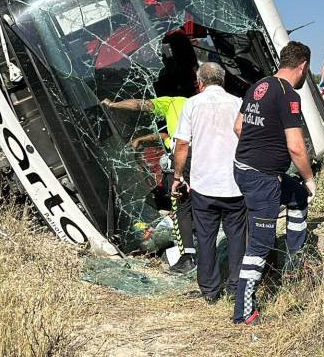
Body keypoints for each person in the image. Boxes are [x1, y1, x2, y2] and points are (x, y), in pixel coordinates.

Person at [232, 41, 317, 325]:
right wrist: (309, 178)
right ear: (302, 66)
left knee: (296, 197)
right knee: (261, 241)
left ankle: (293, 263)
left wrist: (260, 148)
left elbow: (239, 127)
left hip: (244, 169)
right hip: (262, 178)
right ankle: (244, 311)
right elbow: (296, 146)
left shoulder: (260, 86)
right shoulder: (288, 94)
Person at [171, 63, 246, 303]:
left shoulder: (192, 104)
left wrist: (177, 177)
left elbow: (182, 144)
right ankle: (235, 288)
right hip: (235, 184)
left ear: (200, 82)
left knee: (205, 238)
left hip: (204, 185)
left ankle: (210, 291)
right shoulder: (238, 103)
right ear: (222, 81)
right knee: (237, 237)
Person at [103, 95, 196, 273]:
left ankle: (187, 258)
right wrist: (143, 139)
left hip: (183, 161)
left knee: (182, 209)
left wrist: (112, 104)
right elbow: (167, 134)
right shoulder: (206, 104)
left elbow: (139, 104)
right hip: (209, 161)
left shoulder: (172, 102)